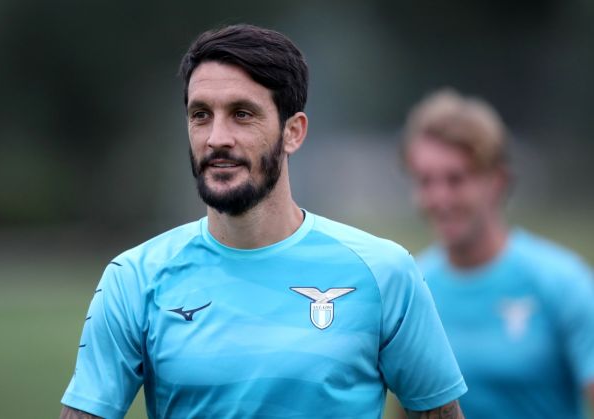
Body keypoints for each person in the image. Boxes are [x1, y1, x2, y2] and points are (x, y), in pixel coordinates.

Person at [60, 25, 467, 419]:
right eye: (201, 115)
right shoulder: (133, 279)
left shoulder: (384, 272)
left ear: (293, 132)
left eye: (241, 114)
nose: (217, 137)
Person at [402, 88, 594, 418]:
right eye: (425, 181)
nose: (439, 198)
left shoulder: (561, 281)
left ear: (497, 181)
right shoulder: (411, 288)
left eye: (456, 179)